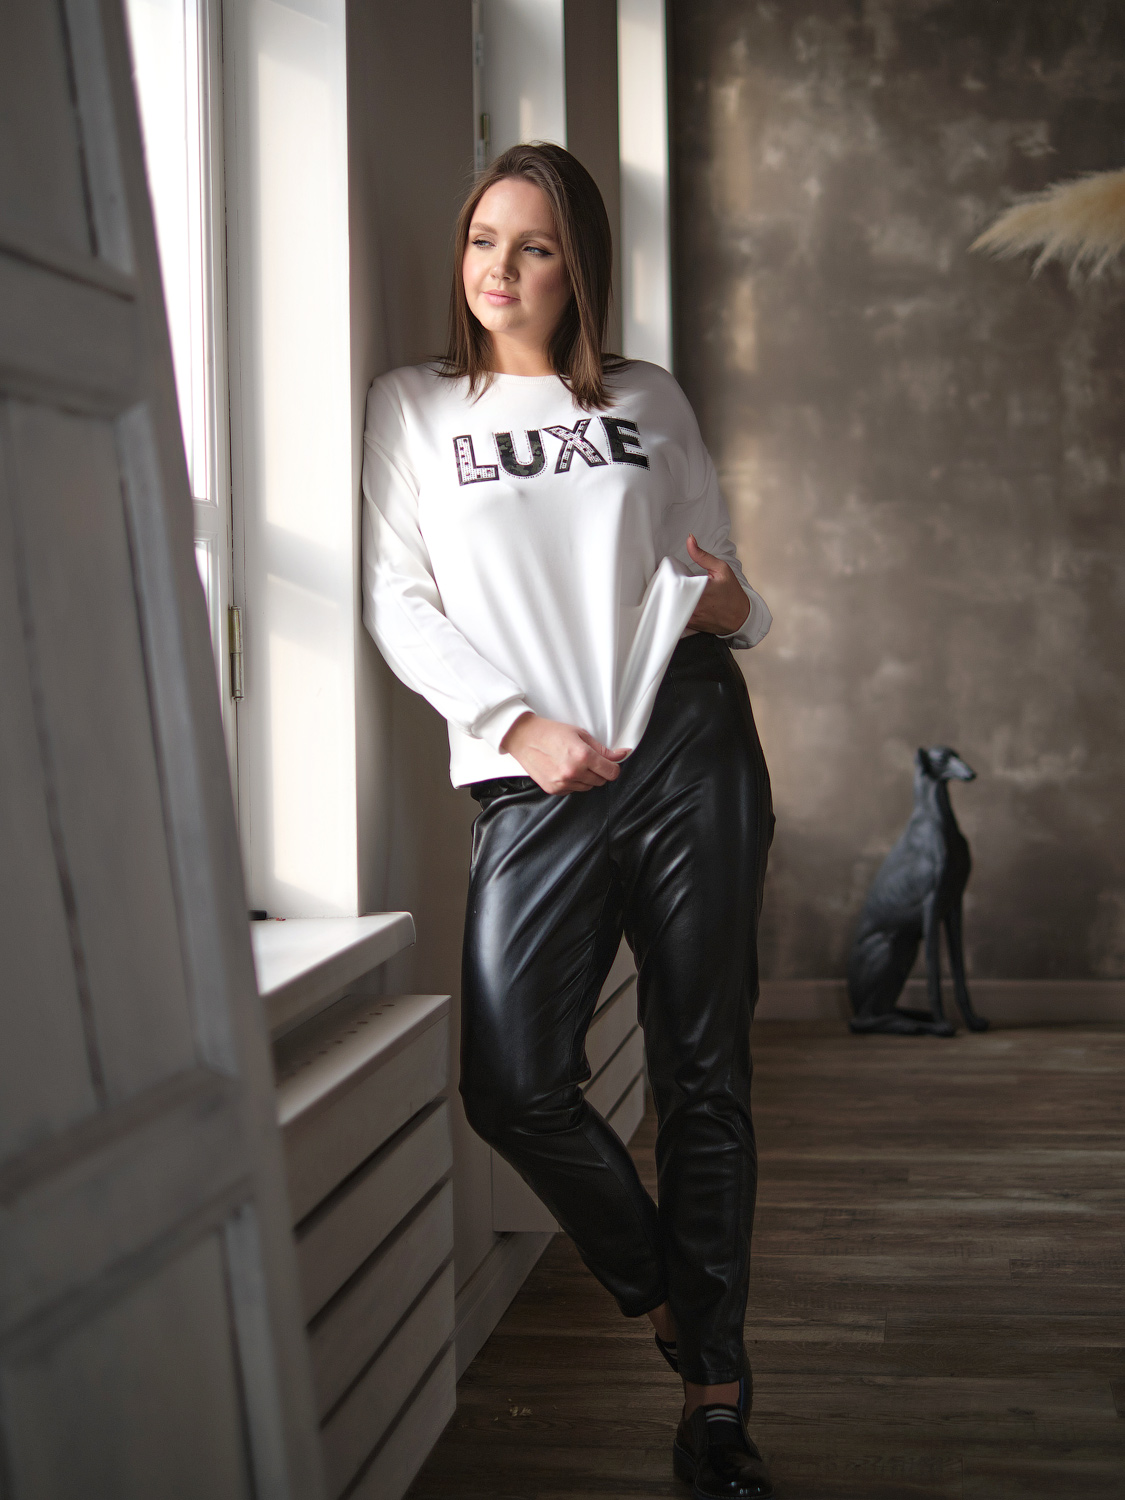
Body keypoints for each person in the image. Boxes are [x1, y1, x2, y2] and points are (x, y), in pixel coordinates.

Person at [361, 142, 775, 1500]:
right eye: (484, 239)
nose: (499, 269)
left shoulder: (646, 398)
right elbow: (398, 600)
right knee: (510, 1081)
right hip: (535, 773)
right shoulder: (416, 405)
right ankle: (671, 1299)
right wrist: (516, 725)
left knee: (702, 1068)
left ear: (577, 266)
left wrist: (733, 603)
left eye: (533, 246)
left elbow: (725, 588)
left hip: (687, 745)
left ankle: (716, 1401)